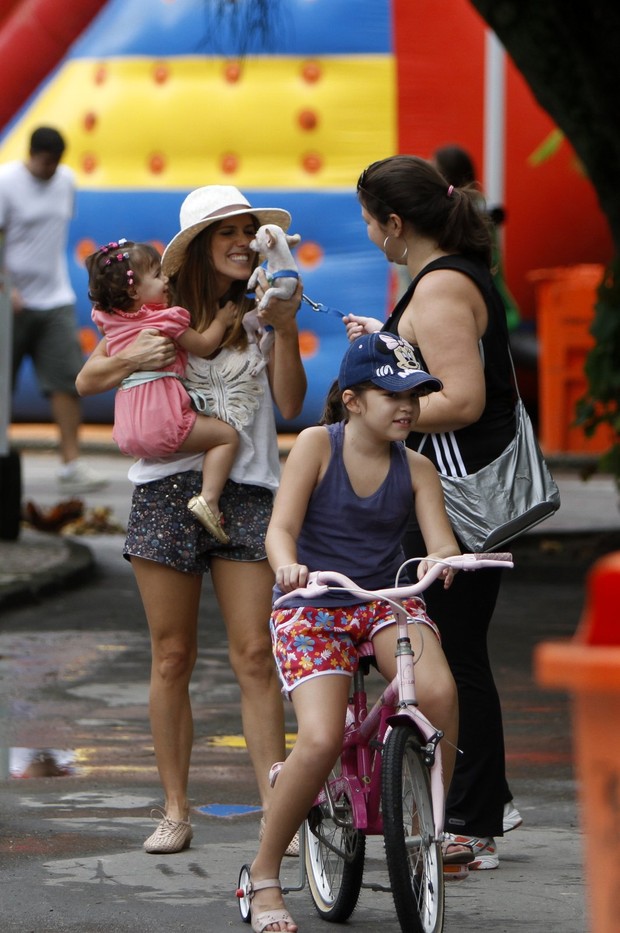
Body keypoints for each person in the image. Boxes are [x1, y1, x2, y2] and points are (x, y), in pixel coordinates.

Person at [76, 185, 307, 854]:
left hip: (248, 488)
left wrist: (284, 324)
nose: (242, 239)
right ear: (199, 245)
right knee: (171, 654)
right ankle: (175, 809)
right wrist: (130, 358)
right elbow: (89, 375)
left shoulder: (264, 304)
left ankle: (275, 806)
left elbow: (290, 402)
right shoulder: (150, 311)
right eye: (225, 230)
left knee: (256, 654)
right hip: (162, 490)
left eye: (248, 228)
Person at [244, 332, 469, 933]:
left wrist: (439, 560)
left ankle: (426, 820)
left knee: (440, 693)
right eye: (392, 393)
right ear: (351, 400)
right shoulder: (318, 445)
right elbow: (279, 530)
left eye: (416, 395)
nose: (407, 406)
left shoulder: (417, 466)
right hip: (314, 602)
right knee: (318, 740)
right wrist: (288, 565)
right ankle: (264, 877)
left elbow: (439, 537)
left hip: (383, 600)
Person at [343, 154, 521, 869]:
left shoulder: (442, 285)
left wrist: (386, 412)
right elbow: (433, 372)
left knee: (454, 656)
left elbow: (464, 400)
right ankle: (483, 803)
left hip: (460, 498)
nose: (368, 234)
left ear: (394, 223)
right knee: (454, 648)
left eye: (368, 221)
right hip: (457, 494)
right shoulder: (442, 279)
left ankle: (472, 819)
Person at [87, 238, 239, 542]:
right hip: (163, 421)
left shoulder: (110, 323)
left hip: (129, 430)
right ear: (134, 291)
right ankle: (208, 499)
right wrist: (222, 320)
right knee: (227, 437)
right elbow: (205, 345)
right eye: (157, 275)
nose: (166, 279)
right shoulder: (165, 319)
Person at [0, 125, 106, 493]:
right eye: (46, 161)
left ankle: (71, 463)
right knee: (1, 386)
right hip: (10, 302)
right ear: (32, 155)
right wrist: (6, 286)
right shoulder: (6, 182)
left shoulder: (66, 181)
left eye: (57, 162)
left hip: (55, 298)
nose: (51, 169)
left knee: (66, 380)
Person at [432, 144, 521, 332]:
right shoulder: (473, 207)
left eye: (436, 170)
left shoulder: (473, 211)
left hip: (484, 309)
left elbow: (489, 264)